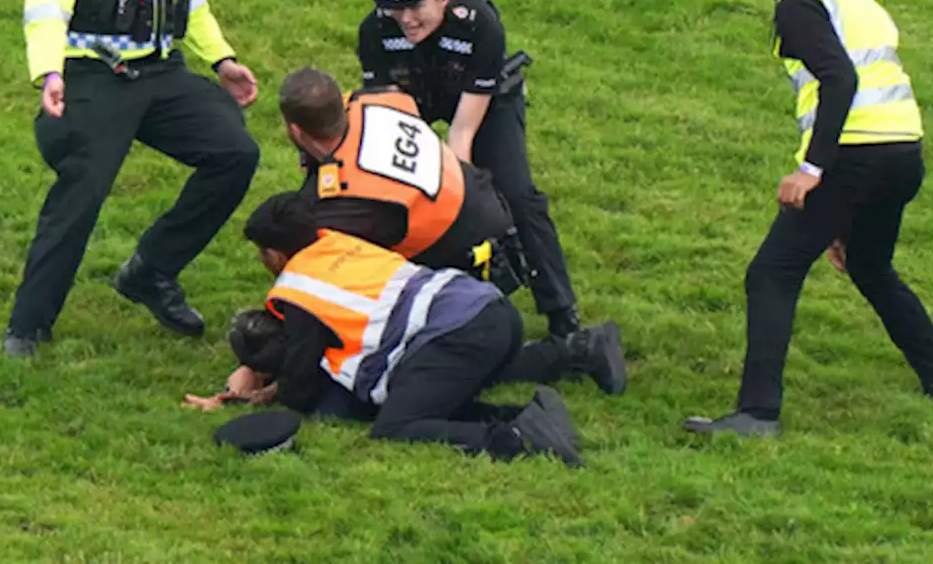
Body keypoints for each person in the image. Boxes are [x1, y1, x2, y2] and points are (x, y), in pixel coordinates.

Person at [684, 0, 933, 437]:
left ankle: (757, 414)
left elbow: (840, 80)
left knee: (772, 273)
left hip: (854, 156)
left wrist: (813, 169)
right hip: (903, 151)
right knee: (869, 264)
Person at [4, 0, 260, 357]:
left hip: (160, 72)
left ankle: (150, 270)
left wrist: (221, 58)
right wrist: (48, 71)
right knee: (86, 184)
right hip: (91, 73)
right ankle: (28, 325)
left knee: (235, 154)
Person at [209, 192, 632, 465]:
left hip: (456, 334)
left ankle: (518, 437)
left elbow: (301, 387)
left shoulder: (296, 290)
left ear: (275, 254)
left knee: (398, 424)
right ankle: (579, 350)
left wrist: (258, 394)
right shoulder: (338, 241)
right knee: (452, 379)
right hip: (490, 310)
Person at [356, 0, 581, 337]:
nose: (405, 19)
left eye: (416, 7)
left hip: (483, 100)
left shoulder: (480, 23)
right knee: (393, 190)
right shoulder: (375, 29)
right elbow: (389, 114)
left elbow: (462, 134)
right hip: (413, 94)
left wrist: (468, 195)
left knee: (516, 193)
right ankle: (389, 304)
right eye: (396, 8)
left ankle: (562, 312)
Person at [280, 66, 523, 290]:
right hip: (484, 199)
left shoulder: (347, 198)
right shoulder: (375, 99)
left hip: (464, 259)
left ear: (296, 130)